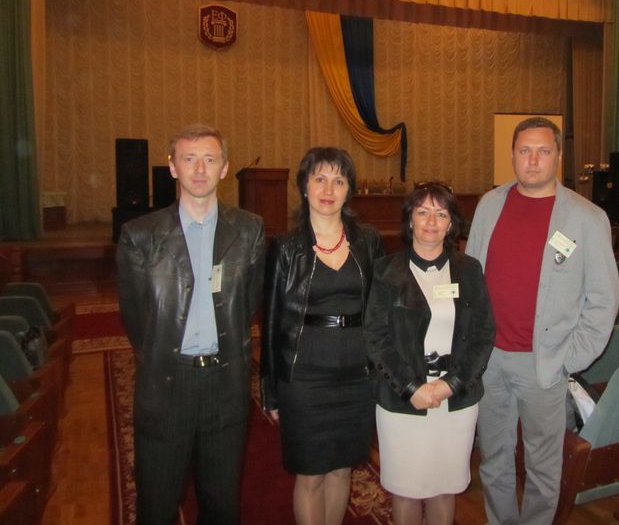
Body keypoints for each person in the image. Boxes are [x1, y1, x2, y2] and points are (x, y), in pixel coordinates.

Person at [465, 117, 619, 525]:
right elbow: (471, 277)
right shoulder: (489, 205)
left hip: (545, 364)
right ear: (513, 155)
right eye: (524, 151)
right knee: (494, 460)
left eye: (543, 151)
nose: (533, 160)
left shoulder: (587, 218)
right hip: (489, 361)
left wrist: (570, 358)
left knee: (543, 469)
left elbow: (603, 299)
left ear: (558, 157)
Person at [116, 125, 266, 524]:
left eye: (209, 159)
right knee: (157, 506)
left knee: (221, 506)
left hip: (225, 384)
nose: (200, 169)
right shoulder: (140, 236)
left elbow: (248, 303)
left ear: (224, 168)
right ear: (172, 167)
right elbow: (135, 318)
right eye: (189, 159)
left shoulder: (249, 230)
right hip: (166, 384)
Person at [260, 147, 384, 525]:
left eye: (339, 180)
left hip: (357, 375)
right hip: (304, 376)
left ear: (349, 190)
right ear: (304, 186)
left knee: (342, 470)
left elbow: (381, 309)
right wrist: (269, 389)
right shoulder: (285, 247)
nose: (329, 189)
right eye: (320, 179)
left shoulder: (368, 241)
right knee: (311, 474)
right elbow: (271, 321)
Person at [364, 182, 495, 525]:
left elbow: (483, 335)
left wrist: (451, 384)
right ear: (410, 220)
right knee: (405, 490)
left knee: (444, 489)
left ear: (452, 223)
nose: (432, 221)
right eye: (423, 212)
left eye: (441, 213)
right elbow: (376, 337)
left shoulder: (469, 270)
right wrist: (411, 387)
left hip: (455, 398)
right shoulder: (385, 270)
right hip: (402, 398)